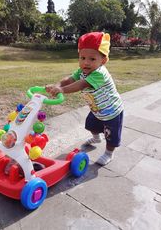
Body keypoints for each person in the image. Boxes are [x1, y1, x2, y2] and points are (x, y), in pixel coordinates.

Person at [46, 32, 124, 165]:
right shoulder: (82, 71)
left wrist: (62, 90)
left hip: (112, 112)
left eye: (92, 59)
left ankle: (109, 153)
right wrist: (57, 85)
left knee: (111, 136)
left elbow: (81, 84)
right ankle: (96, 138)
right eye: (82, 58)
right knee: (91, 125)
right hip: (97, 110)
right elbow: (70, 79)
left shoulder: (99, 73)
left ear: (103, 60)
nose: (86, 62)